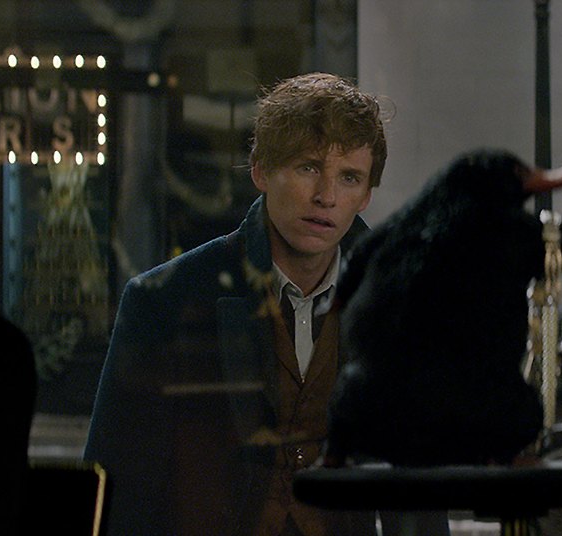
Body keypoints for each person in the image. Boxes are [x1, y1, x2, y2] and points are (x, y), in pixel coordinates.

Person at [85, 73, 404, 535]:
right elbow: (117, 486)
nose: (327, 197)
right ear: (261, 171)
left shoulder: (391, 306)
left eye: (349, 177)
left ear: (367, 195)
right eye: (308, 168)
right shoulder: (166, 300)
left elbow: (412, 486)